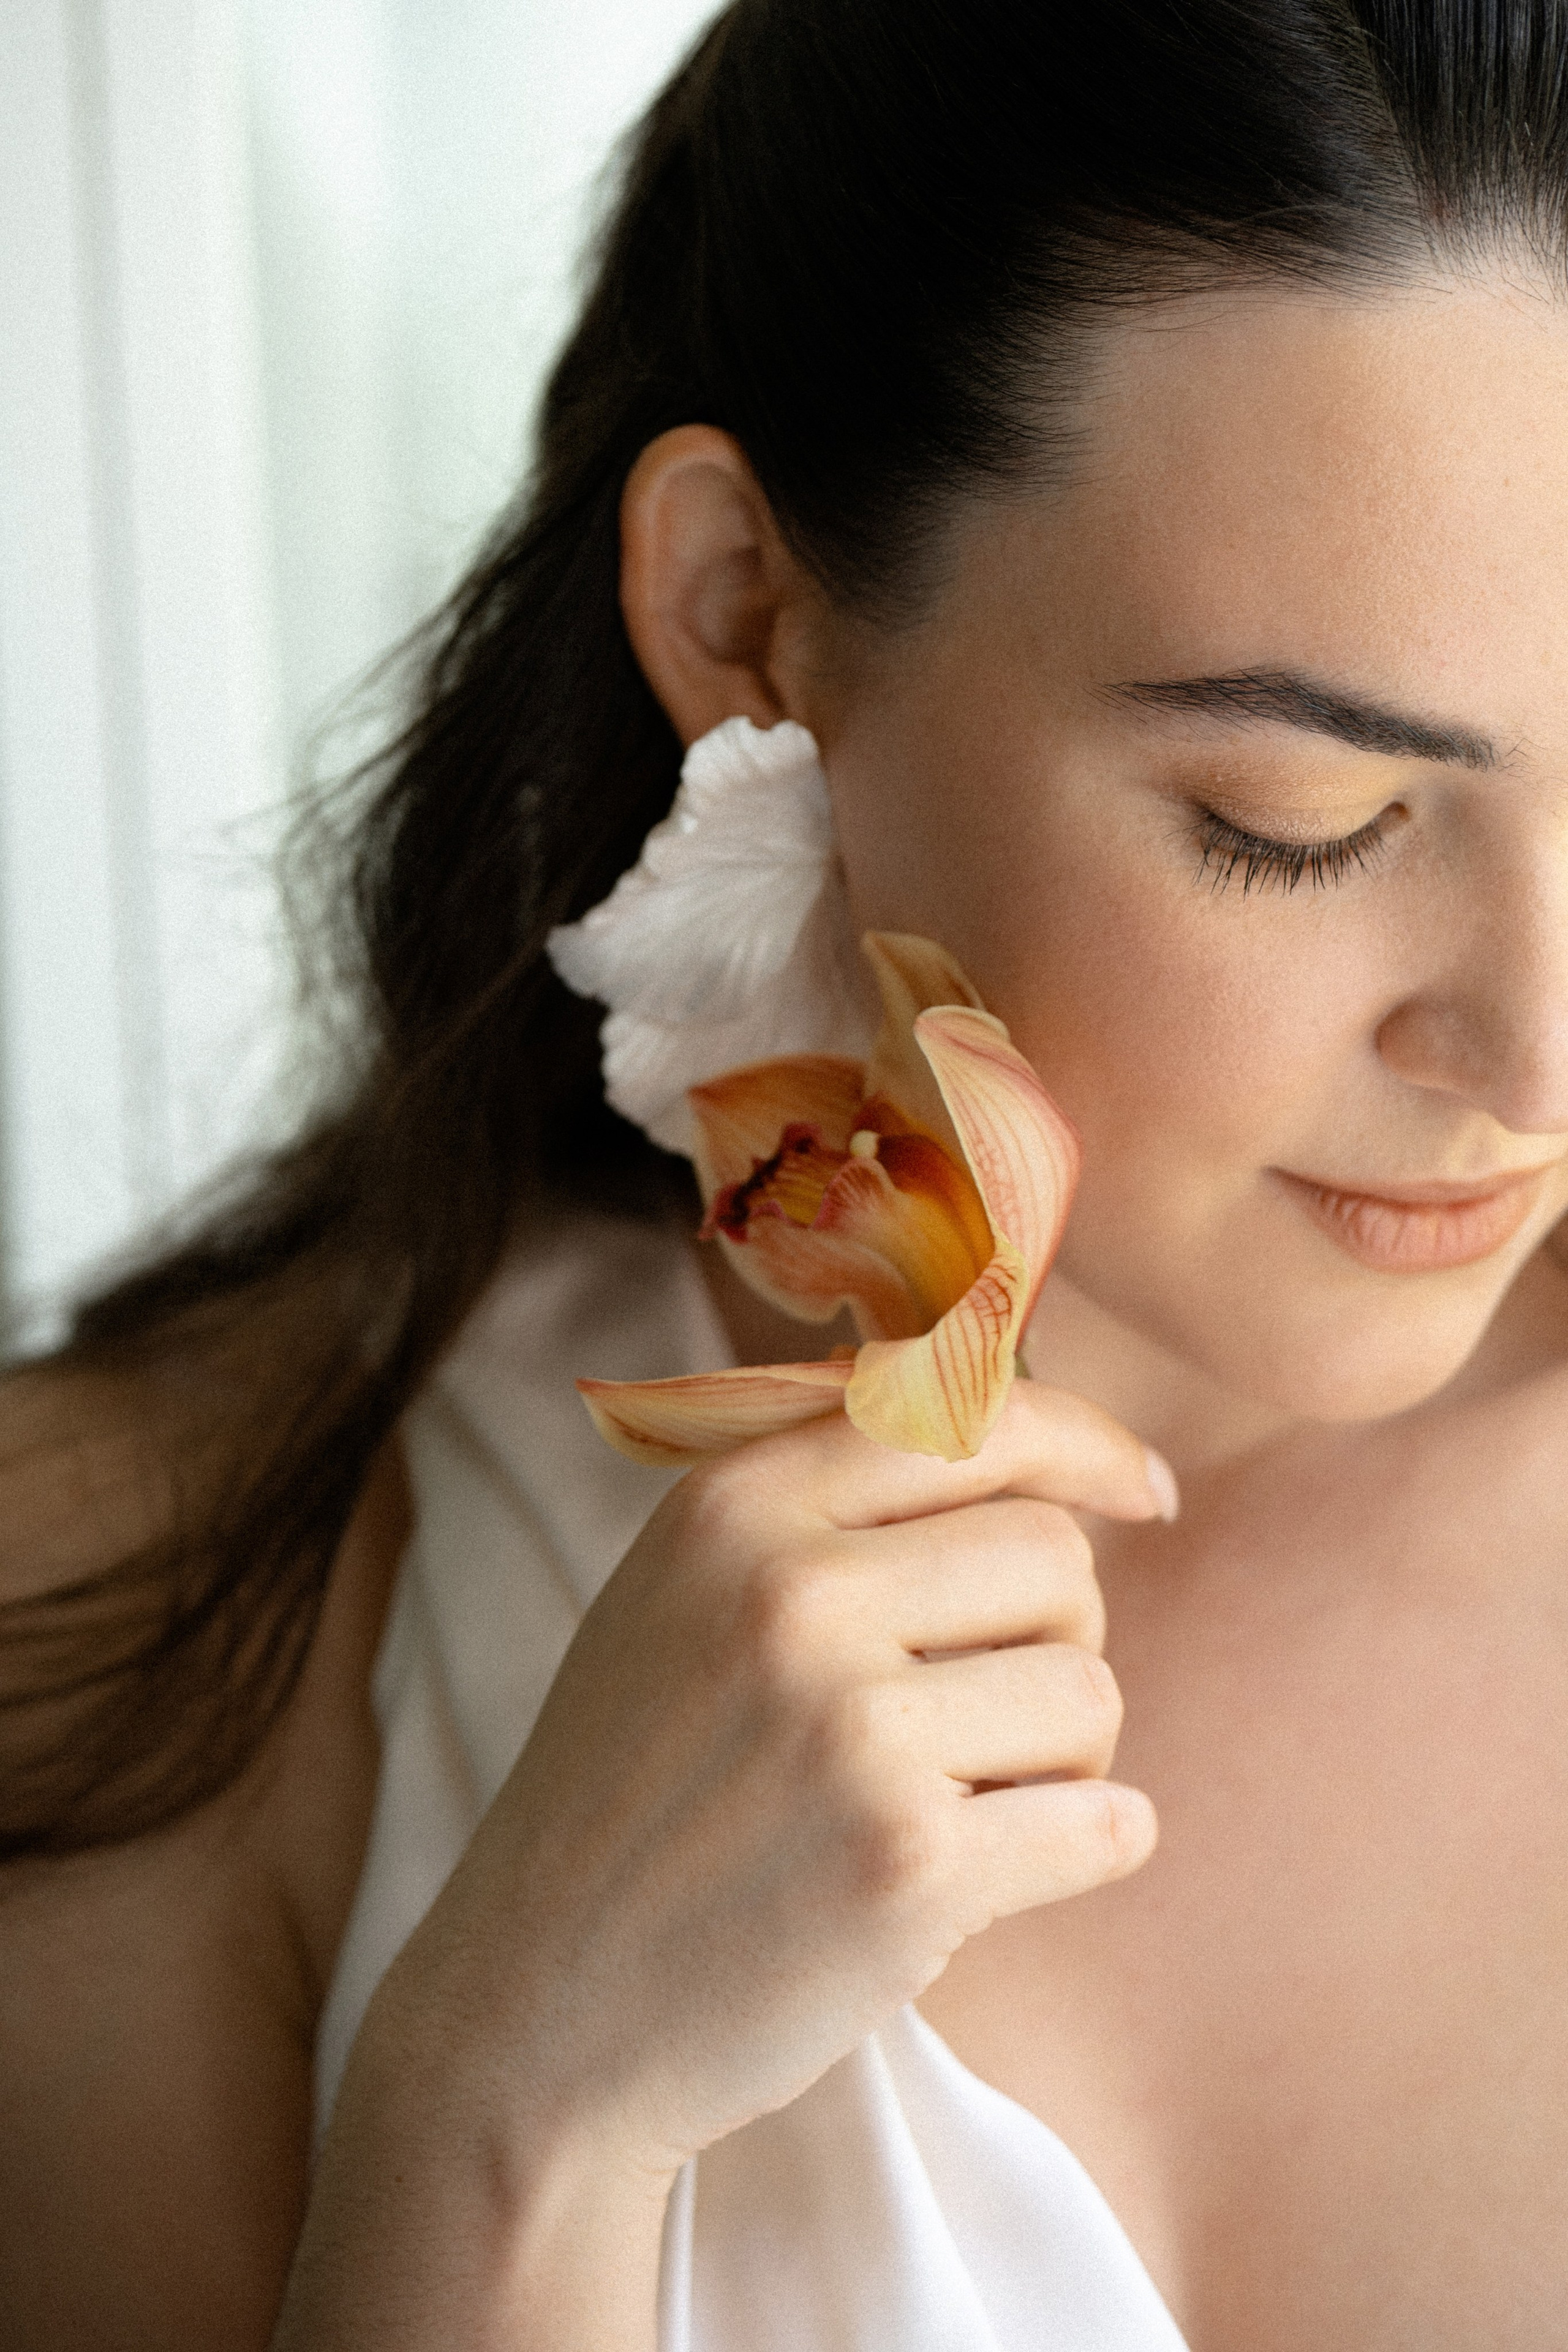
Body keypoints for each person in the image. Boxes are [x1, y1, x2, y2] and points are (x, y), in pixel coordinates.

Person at [6, 1, 1568, 2343]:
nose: (1537, 1041)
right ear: (749, 620)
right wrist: (507, 2100)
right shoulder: (127, 1611)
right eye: (1302, 827)